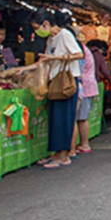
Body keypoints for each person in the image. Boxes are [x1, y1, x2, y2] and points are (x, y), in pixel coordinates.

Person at [30, 10, 83, 169]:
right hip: (54, 82)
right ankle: (56, 153)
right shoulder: (50, 39)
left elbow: (79, 54)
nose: (36, 31)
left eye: (37, 27)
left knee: (64, 118)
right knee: (55, 118)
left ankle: (64, 156)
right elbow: (45, 60)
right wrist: (24, 69)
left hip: (65, 81)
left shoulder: (65, 35)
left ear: (46, 23)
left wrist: (56, 58)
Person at [71, 41, 98, 156]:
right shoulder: (84, 49)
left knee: (81, 118)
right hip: (88, 85)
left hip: (84, 86)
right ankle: (83, 144)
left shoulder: (80, 51)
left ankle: (84, 144)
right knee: (81, 117)